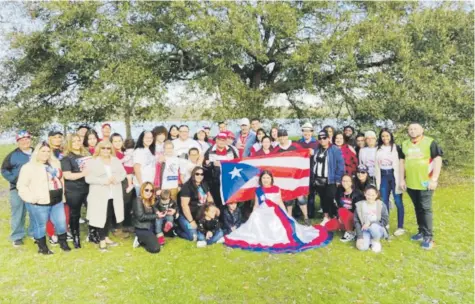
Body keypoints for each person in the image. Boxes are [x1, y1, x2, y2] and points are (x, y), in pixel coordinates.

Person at [224, 171, 332, 253]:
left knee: (278, 223)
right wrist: (253, 213)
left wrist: (286, 213)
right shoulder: (258, 190)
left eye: (268, 178)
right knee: (256, 218)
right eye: (264, 178)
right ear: (261, 179)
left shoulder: (276, 188)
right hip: (262, 210)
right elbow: (256, 204)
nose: (266, 180)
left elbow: (280, 201)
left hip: (274, 210)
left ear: (271, 179)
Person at [17, 142, 70, 254]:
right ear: (37, 152)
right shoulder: (28, 167)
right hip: (40, 202)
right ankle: (42, 247)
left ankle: (63, 242)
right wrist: (31, 198)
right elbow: (21, 186)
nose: (46, 154)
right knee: (40, 225)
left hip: (57, 200)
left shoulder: (55, 164)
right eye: (43, 151)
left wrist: (63, 195)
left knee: (61, 222)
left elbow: (60, 180)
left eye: (48, 151)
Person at [400, 122, 443, 250]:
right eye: (410, 129)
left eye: (415, 128)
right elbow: (401, 162)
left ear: (422, 130)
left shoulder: (430, 142)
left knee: (425, 208)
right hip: (411, 183)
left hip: (426, 183)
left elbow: (437, 160)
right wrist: (402, 179)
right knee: (418, 208)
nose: (412, 131)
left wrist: (434, 179)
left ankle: (428, 237)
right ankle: (421, 231)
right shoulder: (404, 144)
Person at [85, 141, 126, 251]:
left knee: (109, 216)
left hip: (114, 193)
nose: (106, 150)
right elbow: (87, 178)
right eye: (103, 148)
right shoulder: (92, 162)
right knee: (101, 216)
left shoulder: (115, 160)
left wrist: (116, 179)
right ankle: (101, 241)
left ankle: (106, 237)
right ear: (99, 149)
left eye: (108, 148)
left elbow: (123, 174)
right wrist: (102, 181)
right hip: (99, 194)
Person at [1, 130, 34, 247]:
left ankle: (33, 232)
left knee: (35, 212)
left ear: (30, 139)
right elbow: (4, 170)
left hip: (35, 188)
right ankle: (17, 236)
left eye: (27, 138)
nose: (25, 141)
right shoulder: (12, 155)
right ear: (18, 142)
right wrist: (15, 180)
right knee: (18, 212)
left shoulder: (37, 152)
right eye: (22, 140)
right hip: (17, 189)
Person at [274, 129, 310, 225]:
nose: (282, 139)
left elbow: (303, 156)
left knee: (300, 197)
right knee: (288, 198)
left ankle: (306, 217)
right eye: (280, 137)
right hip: (284, 178)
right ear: (278, 138)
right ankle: (289, 217)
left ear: (287, 136)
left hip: (297, 177)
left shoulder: (295, 146)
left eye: (284, 136)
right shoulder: (276, 149)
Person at [61, 134, 91, 248]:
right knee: (75, 214)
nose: (77, 143)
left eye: (79, 140)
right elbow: (67, 175)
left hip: (88, 187)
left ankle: (93, 234)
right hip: (74, 190)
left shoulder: (87, 155)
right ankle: (76, 237)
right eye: (74, 141)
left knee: (92, 211)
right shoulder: (66, 158)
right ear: (69, 143)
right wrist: (84, 173)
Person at [375, 128, 405, 236]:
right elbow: (376, 166)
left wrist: (402, 178)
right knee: (384, 201)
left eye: (387, 136)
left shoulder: (397, 148)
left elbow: (402, 163)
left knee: (398, 201)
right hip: (383, 176)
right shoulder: (378, 149)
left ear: (391, 136)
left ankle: (400, 226)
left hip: (394, 175)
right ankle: (385, 223)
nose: (385, 138)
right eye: (383, 136)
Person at [312, 130, 344, 225]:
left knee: (330, 197)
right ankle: (326, 217)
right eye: (320, 138)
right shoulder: (317, 149)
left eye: (324, 138)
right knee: (323, 198)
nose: (322, 140)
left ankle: (335, 215)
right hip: (319, 178)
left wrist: (338, 178)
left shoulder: (335, 149)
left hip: (331, 179)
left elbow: (340, 165)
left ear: (329, 138)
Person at [177, 166, 217, 242]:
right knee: (193, 237)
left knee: (203, 235)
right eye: (197, 174)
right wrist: (191, 221)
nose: (200, 176)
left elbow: (209, 197)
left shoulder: (204, 184)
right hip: (187, 216)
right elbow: (184, 206)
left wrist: (212, 209)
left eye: (202, 174)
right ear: (193, 174)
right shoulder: (187, 187)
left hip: (199, 216)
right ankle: (177, 231)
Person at [203, 132, 239, 208]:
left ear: (226, 141)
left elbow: (236, 163)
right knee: (216, 201)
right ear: (216, 140)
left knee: (227, 202)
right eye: (220, 140)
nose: (222, 142)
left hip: (228, 181)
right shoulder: (209, 151)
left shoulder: (231, 150)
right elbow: (205, 166)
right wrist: (212, 164)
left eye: (224, 140)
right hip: (215, 182)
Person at [325, 175, 364, 242]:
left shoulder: (357, 193)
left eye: (348, 181)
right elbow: (337, 206)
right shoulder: (339, 191)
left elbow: (359, 211)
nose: (345, 183)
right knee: (328, 226)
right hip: (342, 217)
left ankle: (350, 232)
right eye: (343, 181)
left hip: (353, 218)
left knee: (342, 211)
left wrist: (343, 214)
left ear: (351, 182)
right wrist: (338, 216)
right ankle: (345, 227)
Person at [110, 133, 134, 238]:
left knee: (127, 203)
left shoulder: (124, 152)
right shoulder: (113, 154)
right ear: (111, 142)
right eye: (115, 141)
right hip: (120, 180)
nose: (118, 143)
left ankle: (125, 224)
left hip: (128, 179)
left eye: (119, 141)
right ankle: (117, 227)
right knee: (120, 204)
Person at [354, 186, 389, 253]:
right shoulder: (359, 205)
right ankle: (369, 239)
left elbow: (385, 221)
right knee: (361, 247)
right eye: (368, 194)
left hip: (377, 229)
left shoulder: (381, 205)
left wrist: (370, 223)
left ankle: (375, 240)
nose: (370, 197)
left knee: (373, 227)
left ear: (376, 195)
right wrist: (360, 237)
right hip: (365, 230)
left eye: (373, 195)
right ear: (364, 194)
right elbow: (356, 221)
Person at [131, 182, 161, 254]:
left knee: (159, 243)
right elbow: (141, 217)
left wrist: (158, 212)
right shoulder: (138, 200)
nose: (149, 192)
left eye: (151, 191)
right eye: (146, 190)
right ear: (142, 190)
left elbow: (156, 207)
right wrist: (156, 216)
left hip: (151, 227)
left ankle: (145, 239)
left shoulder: (150, 200)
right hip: (142, 228)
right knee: (155, 249)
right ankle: (139, 240)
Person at [297, 122, 319, 218]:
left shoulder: (317, 143)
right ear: (302, 132)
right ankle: (298, 211)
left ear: (312, 132)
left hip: (312, 170)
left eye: (309, 131)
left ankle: (310, 211)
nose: (307, 133)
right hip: (301, 170)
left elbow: (320, 154)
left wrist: (314, 152)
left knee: (311, 192)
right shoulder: (298, 143)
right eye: (305, 131)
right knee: (299, 191)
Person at [152, 126, 167, 190]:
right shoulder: (152, 146)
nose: (162, 136)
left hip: (164, 172)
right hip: (153, 173)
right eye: (159, 134)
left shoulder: (166, 145)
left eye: (163, 134)